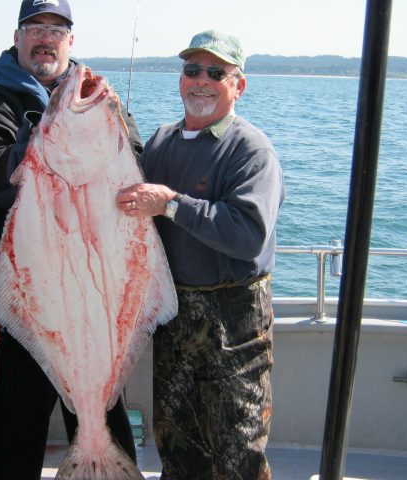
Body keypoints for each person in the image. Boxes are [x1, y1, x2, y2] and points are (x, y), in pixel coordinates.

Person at [0, 0, 140, 478]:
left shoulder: (97, 94)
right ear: (17, 37)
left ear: (71, 41)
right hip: (33, 286)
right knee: (16, 420)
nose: (46, 38)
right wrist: (50, 132)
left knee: (104, 408)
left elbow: (136, 168)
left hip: (97, 288)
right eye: (34, 27)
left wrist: (109, 121)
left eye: (56, 29)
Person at [116, 30, 285, 480]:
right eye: (193, 70)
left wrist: (171, 202)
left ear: (238, 85)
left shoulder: (251, 150)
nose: (202, 81)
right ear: (181, 78)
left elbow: (247, 234)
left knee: (238, 451)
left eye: (216, 72)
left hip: (235, 323)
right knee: (176, 446)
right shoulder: (162, 141)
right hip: (174, 318)